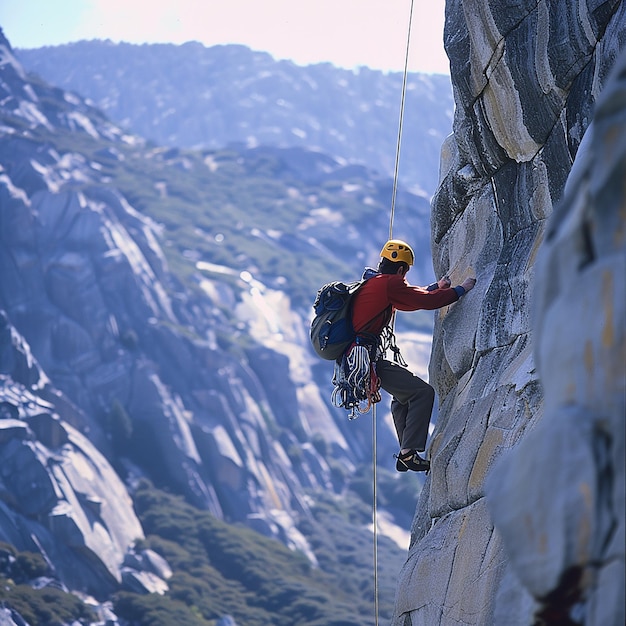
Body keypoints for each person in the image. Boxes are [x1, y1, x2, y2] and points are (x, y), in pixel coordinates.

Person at [350, 239, 476, 472]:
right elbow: (422, 302)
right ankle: (409, 453)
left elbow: (409, 299)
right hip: (364, 357)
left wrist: (435, 287)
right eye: (406, 272)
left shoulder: (376, 283)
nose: (405, 276)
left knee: (403, 396)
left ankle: (406, 452)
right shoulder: (389, 284)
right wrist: (461, 290)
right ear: (401, 269)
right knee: (422, 392)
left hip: (359, 356)